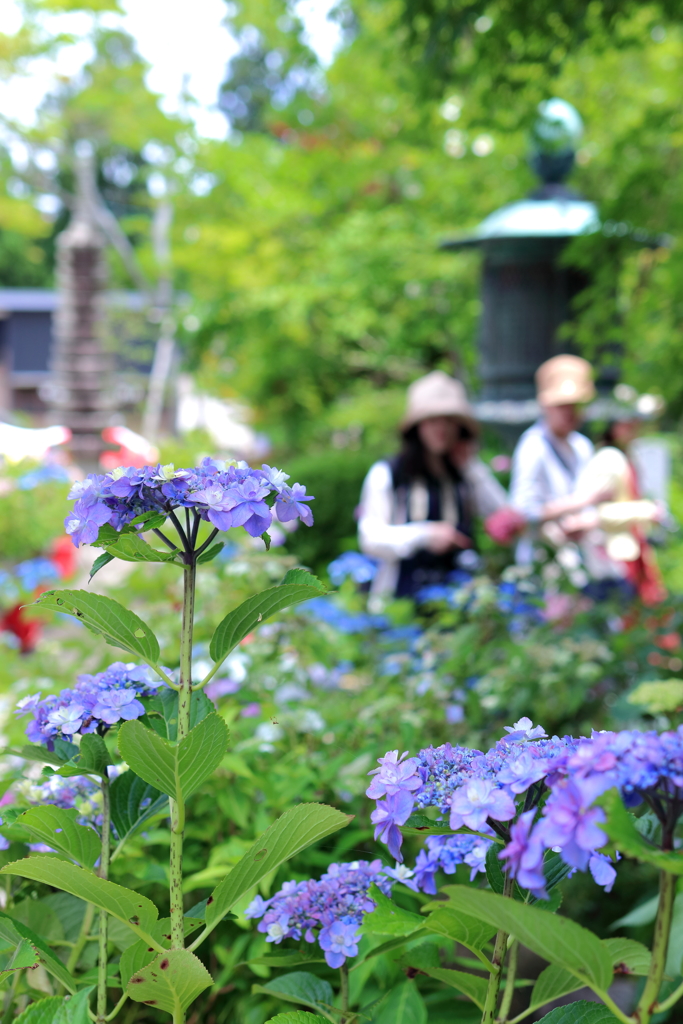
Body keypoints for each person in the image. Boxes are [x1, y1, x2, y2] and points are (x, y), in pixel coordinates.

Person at [358, 371, 507, 599]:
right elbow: (370, 538)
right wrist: (424, 535)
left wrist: (471, 466)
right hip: (402, 601)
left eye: (449, 420)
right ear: (417, 427)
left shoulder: (464, 474)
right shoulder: (389, 473)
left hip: (460, 598)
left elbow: (503, 514)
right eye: (432, 420)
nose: (442, 428)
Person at [540, 400, 666, 604]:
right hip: (614, 552)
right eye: (627, 423)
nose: (634, 428)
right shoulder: (609, 458)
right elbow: (597, 512)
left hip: (628, 545)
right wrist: (647, 511)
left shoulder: (624, 456)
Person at [508, 354, 595, 563]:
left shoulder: (582, 446)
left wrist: (586, 521)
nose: (569, 412)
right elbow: (521, 511)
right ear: (545, 406)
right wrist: (577, 505)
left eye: (574, 405)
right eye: (561, 405)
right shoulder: (533, 446)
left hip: (579, 558)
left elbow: (591, 506)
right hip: (542, 558)